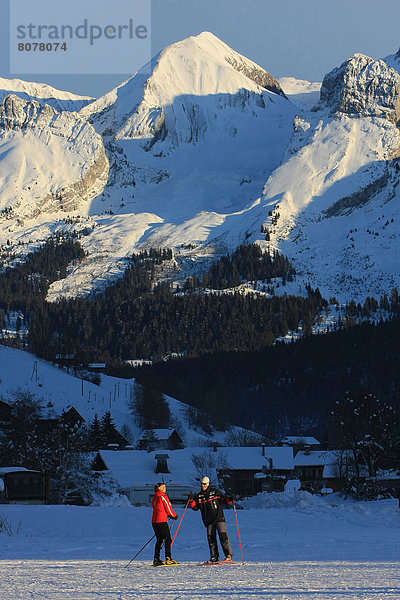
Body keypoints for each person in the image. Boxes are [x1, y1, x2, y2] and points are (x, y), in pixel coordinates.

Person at [189, 476, 234, 563]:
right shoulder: (199, 496)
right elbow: (195, 508)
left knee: (223, 537)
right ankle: (214, 557)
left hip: (219, 518)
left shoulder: (215, 492)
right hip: (208, 521)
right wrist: (191, 500)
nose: (203, 486)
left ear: (208, 484)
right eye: (202, 484)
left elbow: (225, 500)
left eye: (205, 484)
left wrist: (230, 499)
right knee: (211, 539)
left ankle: (229, 555)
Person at [151, 482, 179, 566]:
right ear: (159, 488)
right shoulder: (163, 496)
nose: (165, 489)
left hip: (154, 521)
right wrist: (174, 515)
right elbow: (168, 508)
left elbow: (159, 508)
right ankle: (168, 558)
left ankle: (156, 558)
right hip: (162, 521)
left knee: (159, 540)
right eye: (163, 487)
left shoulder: (155, 497)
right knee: (168, 539)